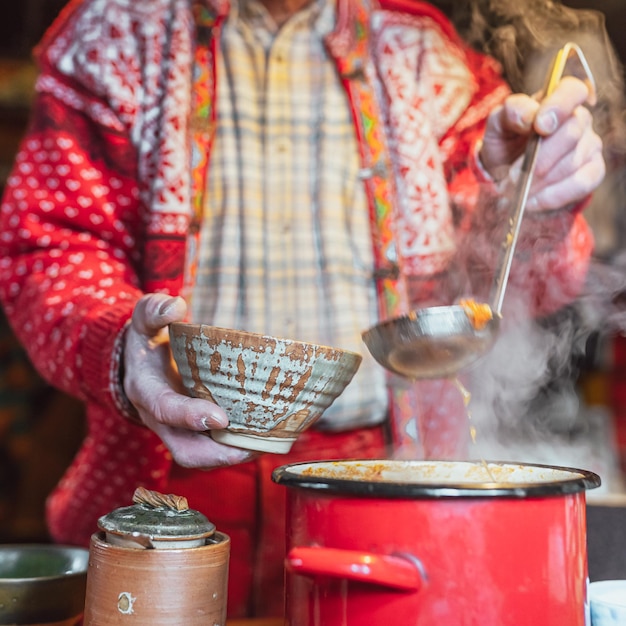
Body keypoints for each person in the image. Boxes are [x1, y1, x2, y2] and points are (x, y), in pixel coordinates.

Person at [0, 0, 606, 617]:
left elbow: (518, 278)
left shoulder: (427, 54)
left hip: (377, 487)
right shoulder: (115, 31)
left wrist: (533, 199)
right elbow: (46, 251)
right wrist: (119, 344)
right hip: (167, 491)